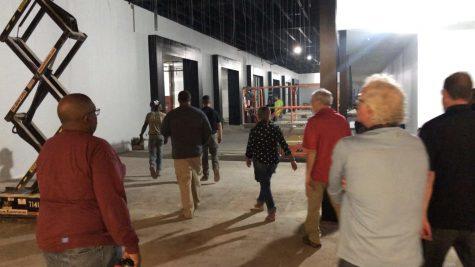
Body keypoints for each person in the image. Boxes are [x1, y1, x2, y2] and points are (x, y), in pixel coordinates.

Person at [328, 74, 428, 267]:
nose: (357, 104)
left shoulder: (348, 147)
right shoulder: (417, 146)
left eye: (361, 100)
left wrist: (349, 205)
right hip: (407, 256)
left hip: (360, 255)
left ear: (371, 108)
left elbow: (334, 190)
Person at [36, 94, 140, 267]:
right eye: (95, 113)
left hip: (50, 241)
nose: (95, 118)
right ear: (87, 118)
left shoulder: (48, 147)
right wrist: (130, 243)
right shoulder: (97, 148)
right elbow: (111, 202)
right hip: (88, 244)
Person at [419, 72, 475, 267]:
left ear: (445, 94)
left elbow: (428, 176)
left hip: (440, 217)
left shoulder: (432, 128)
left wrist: (422, 214)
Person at [301, 89, 351, 249]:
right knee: (340, 207)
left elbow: (312, 152)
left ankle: (314, 238)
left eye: (311, 102)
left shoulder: (314, 122)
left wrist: (307, 177)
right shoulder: (342, 120)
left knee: (314, 207)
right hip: (337, 173)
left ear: (318, 102)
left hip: (318, 173)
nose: (310, 105)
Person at [161, 91, 212, 219]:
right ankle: (196, 202)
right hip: (195, 152)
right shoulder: (199, 113)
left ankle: (188, 211)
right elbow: (208, 132)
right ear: (190, 99)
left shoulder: (172, 115)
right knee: (195, 178)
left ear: (178, 100)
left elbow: (164, 131)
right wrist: (200, 145)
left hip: (179, 153)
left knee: (184, 182)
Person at [245, 106, 297, 222]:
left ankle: (271, 210)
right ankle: (260, 202)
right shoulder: (275, 128)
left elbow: (250, 146)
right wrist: (292, 159)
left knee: (265, 184)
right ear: (269, 115)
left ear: (258, 116)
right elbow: (284, 144)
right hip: (273, 162)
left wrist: (248, 158)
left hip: (260, 162)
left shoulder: (255, 130)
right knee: (265, 182)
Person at [139, 100, 166, 178]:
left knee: (152, 153)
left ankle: (152, 165)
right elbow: (166, 127)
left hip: (152, 136)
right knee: (159, 154)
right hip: (160, 136)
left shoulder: (149, 115)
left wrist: (141, 134)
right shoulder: (163, 115)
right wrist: (167, 136)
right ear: (159, 106)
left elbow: (145, 125)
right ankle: (158, 171)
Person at [200, 95, 223, 182]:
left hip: (203, 137)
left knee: (204, 156)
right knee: (214, 154)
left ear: (203, 102)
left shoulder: (200, 112)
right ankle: (216, 168)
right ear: (210, 102)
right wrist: (220, 136)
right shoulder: (214, 112)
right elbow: (219, 125)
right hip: (213, 136)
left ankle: (205, 175)